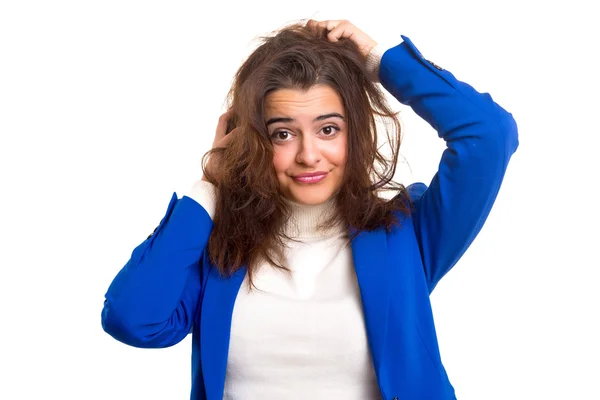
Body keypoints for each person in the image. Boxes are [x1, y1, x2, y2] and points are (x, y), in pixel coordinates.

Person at [101, 19, 519, 400]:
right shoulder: (217, 247)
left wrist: (381, 62)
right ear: (253, 140)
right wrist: (211, 186)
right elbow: (133, 321)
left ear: (354, 132)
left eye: (328, 129)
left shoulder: (406, 235)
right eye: (283, 133)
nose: (308, 155)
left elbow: (488, 134)